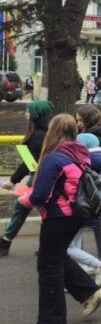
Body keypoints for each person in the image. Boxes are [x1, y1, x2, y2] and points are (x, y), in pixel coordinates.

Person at [19, 114, 101, 324]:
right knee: (57, 256)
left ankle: (52, 321)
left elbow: (40, 196)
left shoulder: (54, 158)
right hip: (76, 213)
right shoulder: (79, 153)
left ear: (53, 131)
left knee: (48, 265)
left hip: (58, 216)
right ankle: (89, 292)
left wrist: (24, 198)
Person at [0, 100, 53, 256]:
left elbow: (29, 164)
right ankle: (47, 247)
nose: (25, 114)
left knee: (23, 206)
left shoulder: (38, 135)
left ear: (36, 114)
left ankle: (5, 242)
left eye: (28, 111)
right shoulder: (49, 130)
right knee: (46, 210)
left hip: (40, 177)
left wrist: (12, 181)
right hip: (45, 176)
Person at [67, 133, 101, 286]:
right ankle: (86, 267)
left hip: (83, 207)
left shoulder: (87, 162)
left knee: (68, 246)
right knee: (74, 241)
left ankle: (97, 265)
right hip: (91, 206)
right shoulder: (100, 159)